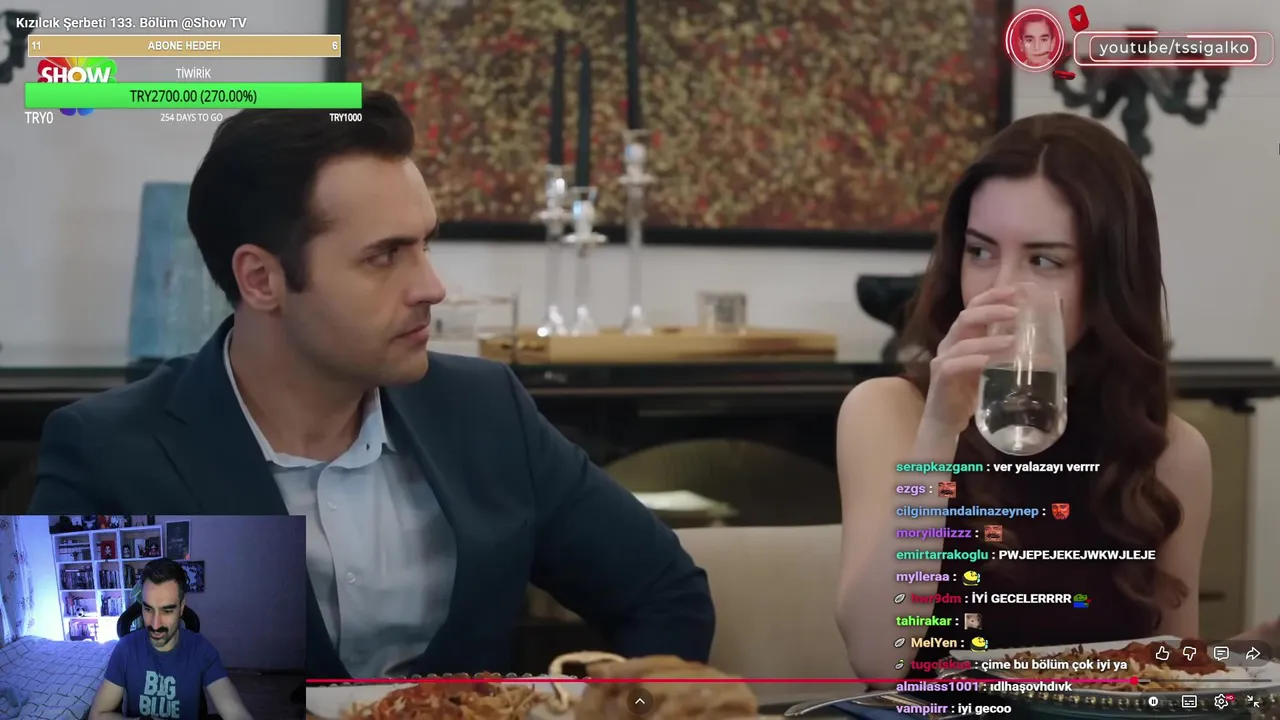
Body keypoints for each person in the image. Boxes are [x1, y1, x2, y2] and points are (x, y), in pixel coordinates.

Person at [30, 91, 715, 676]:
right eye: (385, 256)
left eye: (424, 244)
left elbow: (664, 595)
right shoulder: (114, 453)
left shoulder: (486, 411)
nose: (432, 287)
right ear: (262, 279)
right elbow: (65, 692)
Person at [834, 112, 1277, 681]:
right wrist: (940, 431)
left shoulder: (1169, 453)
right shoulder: (888, 412)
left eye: (1044, 261)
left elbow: (1165, 678)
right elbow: (878, 660)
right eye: (980, 252)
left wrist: (1251, 653)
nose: (1000, 289)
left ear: (1109, 281)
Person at [90, 559, 251, 720]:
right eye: (148, 609)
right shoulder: (125, 649)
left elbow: (236, 714)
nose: (155, 624)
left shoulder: (202, 650)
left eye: (167, 611)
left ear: (181, 608)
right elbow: (97, 715)